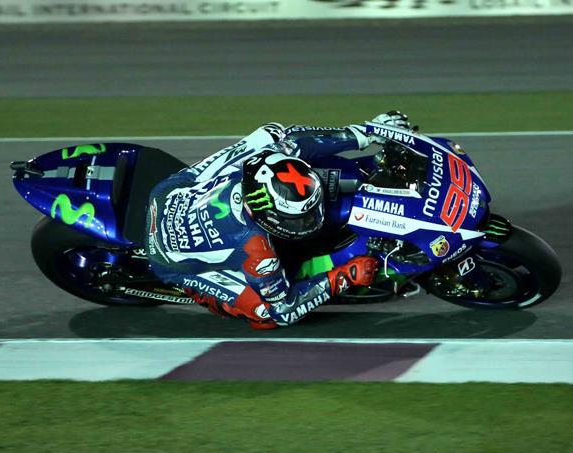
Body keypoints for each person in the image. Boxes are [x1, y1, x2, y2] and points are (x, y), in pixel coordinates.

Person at [145, 111, 412, 330]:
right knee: (265, 315)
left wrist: (364, 133)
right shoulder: (257, 251)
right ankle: (207, 294)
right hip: (169, 257)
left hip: (168, 194)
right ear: (266, 216)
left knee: (273, 135)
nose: (310, 221)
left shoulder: (260, 163)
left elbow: (296, 139)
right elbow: (283, 310)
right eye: (299, 218)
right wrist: (342, 277)